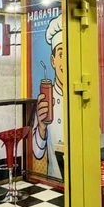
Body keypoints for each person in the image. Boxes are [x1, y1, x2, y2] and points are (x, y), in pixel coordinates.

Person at [32, 15, 65, 180]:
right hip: (55, 182)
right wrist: (41, 127)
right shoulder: (46, 98)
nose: (66, 61)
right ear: (53, 61)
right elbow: (37, 153)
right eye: (61, 54)